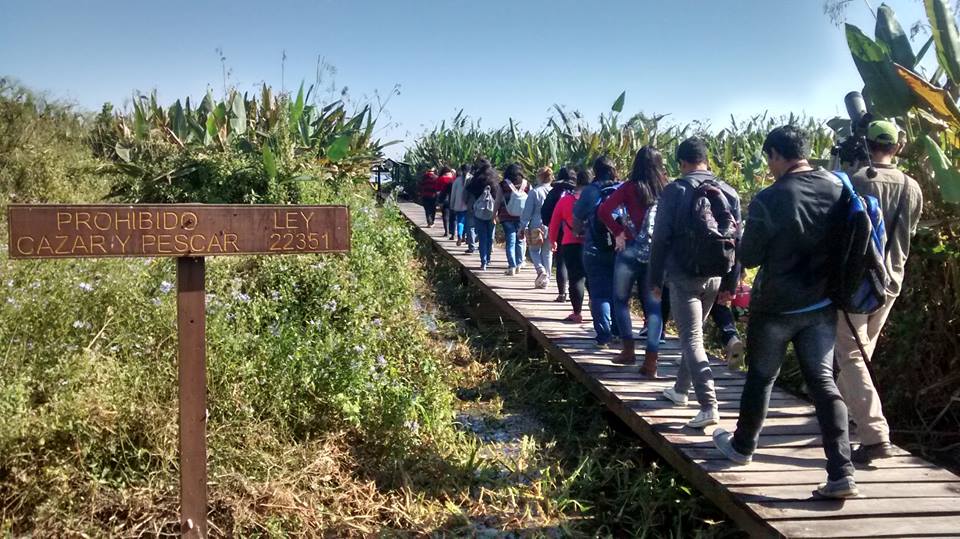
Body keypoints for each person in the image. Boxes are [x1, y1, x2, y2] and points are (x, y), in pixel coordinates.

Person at [712, 125, 858, 499]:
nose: (769, 166)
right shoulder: (839, 187)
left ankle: (742, 447)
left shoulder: (770, 198)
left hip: (776, 306)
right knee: (823, 382)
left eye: (769, 158)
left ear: (777, 154)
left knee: (761, 377)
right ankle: (842, 471)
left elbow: (751, 256)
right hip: (822, 304)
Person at [835, 120, 923, 465]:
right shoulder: (912, 187)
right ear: (897, 147)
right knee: (862, 351)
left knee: (851, 353)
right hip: (891, 281)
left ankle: (874, 434)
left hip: (859, 282)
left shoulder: (855, 181)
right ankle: (845, 415)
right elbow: (909, 230)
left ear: (866, 143)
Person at [649, 137, 741, 429]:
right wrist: (732, 282)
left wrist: (654, 278)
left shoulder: (675, 190)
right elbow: (736, 240)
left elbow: (661, 238)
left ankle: (709, 405)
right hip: (715, 274)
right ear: (706, 159)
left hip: (683, 274)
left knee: (691, 338)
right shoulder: (727, 190)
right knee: (696, 333)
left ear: (682, 163)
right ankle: (679, 390)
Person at [599, 146, 668, 377]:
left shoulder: (629, 187)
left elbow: (604, 210)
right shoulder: (666, 189)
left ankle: (628, 351)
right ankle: (651, 361)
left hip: (629, 248)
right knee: (654, 307)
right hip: (656, 255)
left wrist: (619, 231)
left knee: (621, 300)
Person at [573, 156, 622, 348]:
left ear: (595, 171)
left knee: (600, 294)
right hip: (620, 248)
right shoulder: (622, 188)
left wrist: (578, 231)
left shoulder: (590, 192)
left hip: (594, 248)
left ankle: (604, 337)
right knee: (618, 292)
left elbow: (577, 218)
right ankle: (618, 332)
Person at [550, 169, 591, 324]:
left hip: (570, 242)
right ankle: (596, 306)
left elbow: (554, 222)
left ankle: (577, 313)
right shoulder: (595, 199)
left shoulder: (566, 200)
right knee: (592, 277)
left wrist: (553, 240)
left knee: (575, 278)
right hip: (591, 243)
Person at [542, 167, 576, 301]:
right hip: (576, 231)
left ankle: (562, 293)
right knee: (575, 263)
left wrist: (549, 225)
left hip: (558, 231)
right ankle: (578, 295)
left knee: (561, 261)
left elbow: (545, 212)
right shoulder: (578, 191)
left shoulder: (554, 192)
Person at [520, 167, 554, 288]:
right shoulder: (554, 191)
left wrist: (522, 227)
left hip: (536, 224)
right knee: (547, 253)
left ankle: (540, 270)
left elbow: (527, 212)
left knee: (534, 250)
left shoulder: (535, 192)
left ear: (540, 177)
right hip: (551, 224)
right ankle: (546, 280)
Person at [499, 163, 529, 275]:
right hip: (521, 216)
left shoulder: (503, 184)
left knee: (510, 241)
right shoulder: (526, 184)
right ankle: (519, 264)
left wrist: (493, 215)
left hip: (506, 216)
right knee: (520, 239)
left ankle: (511, 266)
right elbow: (530, 201)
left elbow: (498, 200)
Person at [471, 164, 502, 271]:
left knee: (482, 238)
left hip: (479, 213)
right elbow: (499, 199)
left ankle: (483, 261)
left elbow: (469, 191)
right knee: (490, 237)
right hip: (492, 213)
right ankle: (488, 258)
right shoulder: (495, 181)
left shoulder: (476, 181)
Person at [464, 158, 493, 254]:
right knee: (489, 227)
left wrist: (466, 202)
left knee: (471, 226)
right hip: (490, 206)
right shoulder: (494, 178)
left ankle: (472, 246)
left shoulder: (474, 178)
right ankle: (489, 246)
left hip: (474, 205)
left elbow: (468, 191)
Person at [450, 164, 471, 245]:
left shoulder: (457, 181)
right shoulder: (472, 179)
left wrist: (452, 205)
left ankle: (459, 235)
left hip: (458, 205)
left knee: (460, 221)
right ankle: (465, 237)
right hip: (469, 205)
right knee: (468, 222)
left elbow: (453, 194)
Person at [436, 167, 456, 238]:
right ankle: (453, 233)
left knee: (445, 216)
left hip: (444, 199)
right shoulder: (454, 179)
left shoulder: (440, 179)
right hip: (453, 199)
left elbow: (438, 190)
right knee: (453, 217)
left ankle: (446, 231)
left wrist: (439, 201)